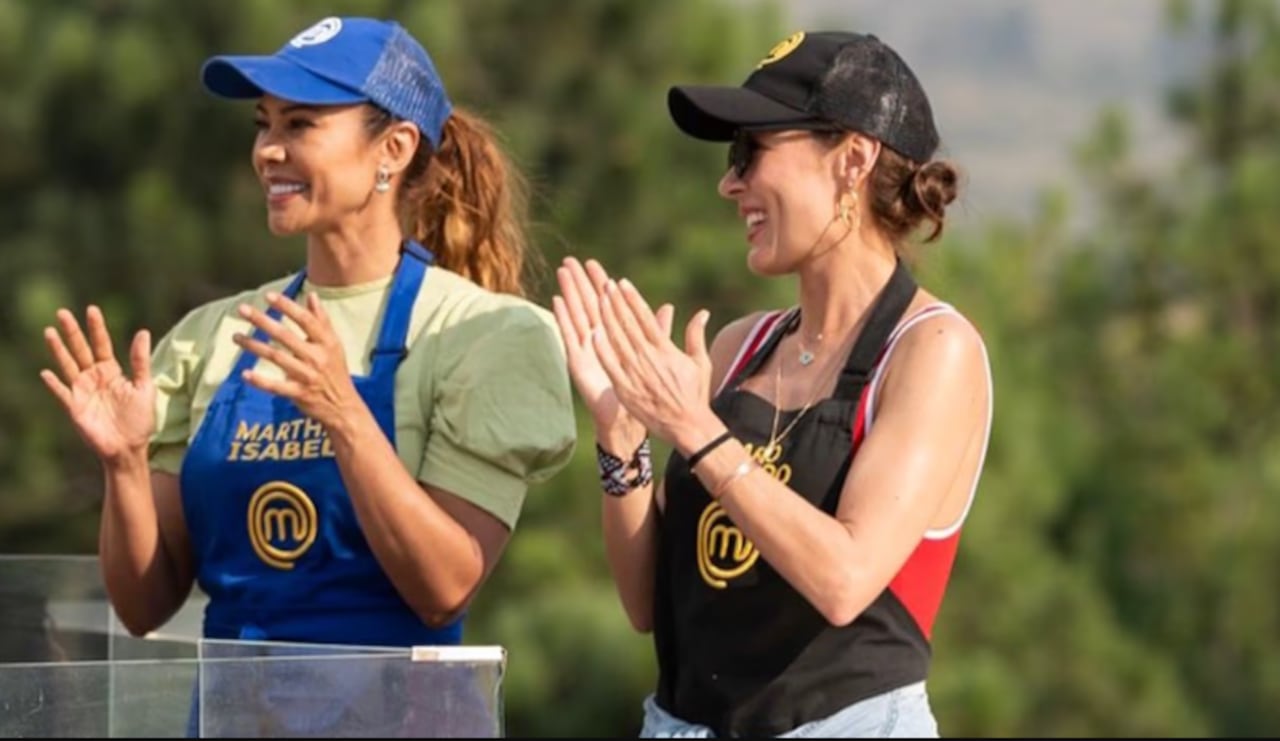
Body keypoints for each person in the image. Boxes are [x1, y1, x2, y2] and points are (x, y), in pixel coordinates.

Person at [39, 15, 575, 735]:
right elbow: (143, 607)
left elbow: (445, 586)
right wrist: (125, 465)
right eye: (263, 125)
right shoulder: (213, 336)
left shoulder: (484, 334)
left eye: (300, 124)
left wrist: (345, 413)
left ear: (393, 148)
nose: (268, 151)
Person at [553, 31, 994, 738]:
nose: (731, 183)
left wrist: (698, 432)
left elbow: (846, 578)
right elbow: (648, 604)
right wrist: (622, 444)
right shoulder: (741, 346)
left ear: (852, 159)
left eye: (750, 151)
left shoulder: (934, 350)